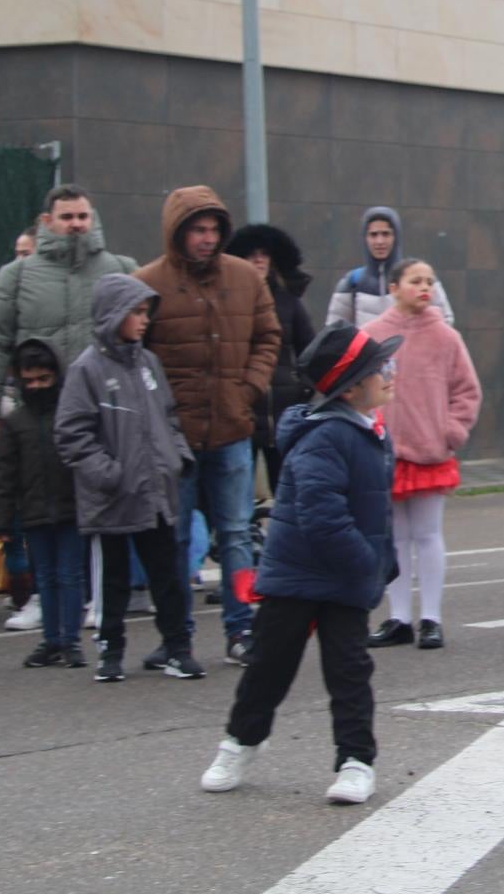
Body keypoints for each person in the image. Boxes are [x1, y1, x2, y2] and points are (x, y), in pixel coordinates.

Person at [200, 321, 400, 806]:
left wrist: (381, 561)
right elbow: (320, 515)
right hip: (297, 574)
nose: (390, 372)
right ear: (351, 388)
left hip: (346, 577)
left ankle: (356, 760)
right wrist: (365, 562)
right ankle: (241, 742)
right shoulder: (324, 436)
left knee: (349, 670)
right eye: (380, 368)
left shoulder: (372, 431)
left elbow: (375, 511)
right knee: (270, 665)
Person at [134, 186, 282, 668]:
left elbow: (268, 336)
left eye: (214, 228)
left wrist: (248, 389)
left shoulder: (244, 278)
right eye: (198, 229)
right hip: (175, 437)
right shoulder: (147, 283)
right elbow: (136, 355)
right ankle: (176, 635)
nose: (207, 238)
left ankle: (241, 630)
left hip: (232, 429)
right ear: (177, 232)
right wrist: (159, 412)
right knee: (176, 539)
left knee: (237, 533)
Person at [56, 274, 200, 682]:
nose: (143, 320)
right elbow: (71, 433)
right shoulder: (86, 370)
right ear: (111, 314)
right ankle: (110, 651)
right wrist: (108, 473)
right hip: (112, 497)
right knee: (111, 579)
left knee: (167, 574)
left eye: (144, 312)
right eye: (135, 312)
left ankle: (176, 647)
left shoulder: (148, 363)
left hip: (155, 490)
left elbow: (168, 417)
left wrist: (178, 457)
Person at [362, 260, 481, 652]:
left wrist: (451, 431)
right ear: (394, 287)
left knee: (428, 534)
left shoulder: (446, 337)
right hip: (386, 450)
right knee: (393, 538)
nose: (424, 287)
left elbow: (467, 391)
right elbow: (356, 388)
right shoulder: (373, 336)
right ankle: (399, 618)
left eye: (430, 281)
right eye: (415, 281)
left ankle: (431, 617)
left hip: (430, 452)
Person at [0, 185, 137, 446]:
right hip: (41, 412)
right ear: (47, 221)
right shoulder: (15, 276)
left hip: (107, 411)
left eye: (83, 217)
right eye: (67, 217)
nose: (76, 224)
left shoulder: (122, 270)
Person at [0, 340, 86, 668]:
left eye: (44, 379)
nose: (36, 387)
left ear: (57, 377)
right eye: (29, 381)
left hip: (72, 509)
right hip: (34, 513)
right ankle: (51, 640)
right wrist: (0, 522)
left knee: (70, 575)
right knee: (44, 577)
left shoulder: (71, 414)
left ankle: (70, 641)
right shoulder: (15, 423)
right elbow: (3, 474)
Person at [226, 224, 318, 496]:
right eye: (251, 254)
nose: (259, 260)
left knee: (289, 495)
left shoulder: (289, 303)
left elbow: (311, 351)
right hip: (244, 415)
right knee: (238, 500)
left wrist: (303, 391)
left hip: (285, 416)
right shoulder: (230, 303)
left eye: (264, 253)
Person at [326, 206, 453, 329]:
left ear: (395, 237)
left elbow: (445, 321)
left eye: (386, 234)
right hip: (366, 349)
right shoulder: (352, 281)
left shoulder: (420, 278)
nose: (380, 241)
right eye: (373, 235)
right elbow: (335, 330)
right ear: (365, 238)